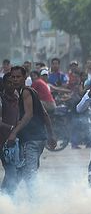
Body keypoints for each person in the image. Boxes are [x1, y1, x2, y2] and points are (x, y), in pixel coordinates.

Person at [1, 67, 56, 195]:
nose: (15, 80)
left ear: (25, 78)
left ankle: (35, 205)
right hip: (38, 139)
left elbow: (28, 115)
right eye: (13, 77)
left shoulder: (25, 92)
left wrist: (13, 133)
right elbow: (44, 114)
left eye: (18, 77)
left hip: (31, 140)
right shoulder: (31, 92)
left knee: (29, 175)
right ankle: (6, 198)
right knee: (19, 172)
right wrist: (51, 135)